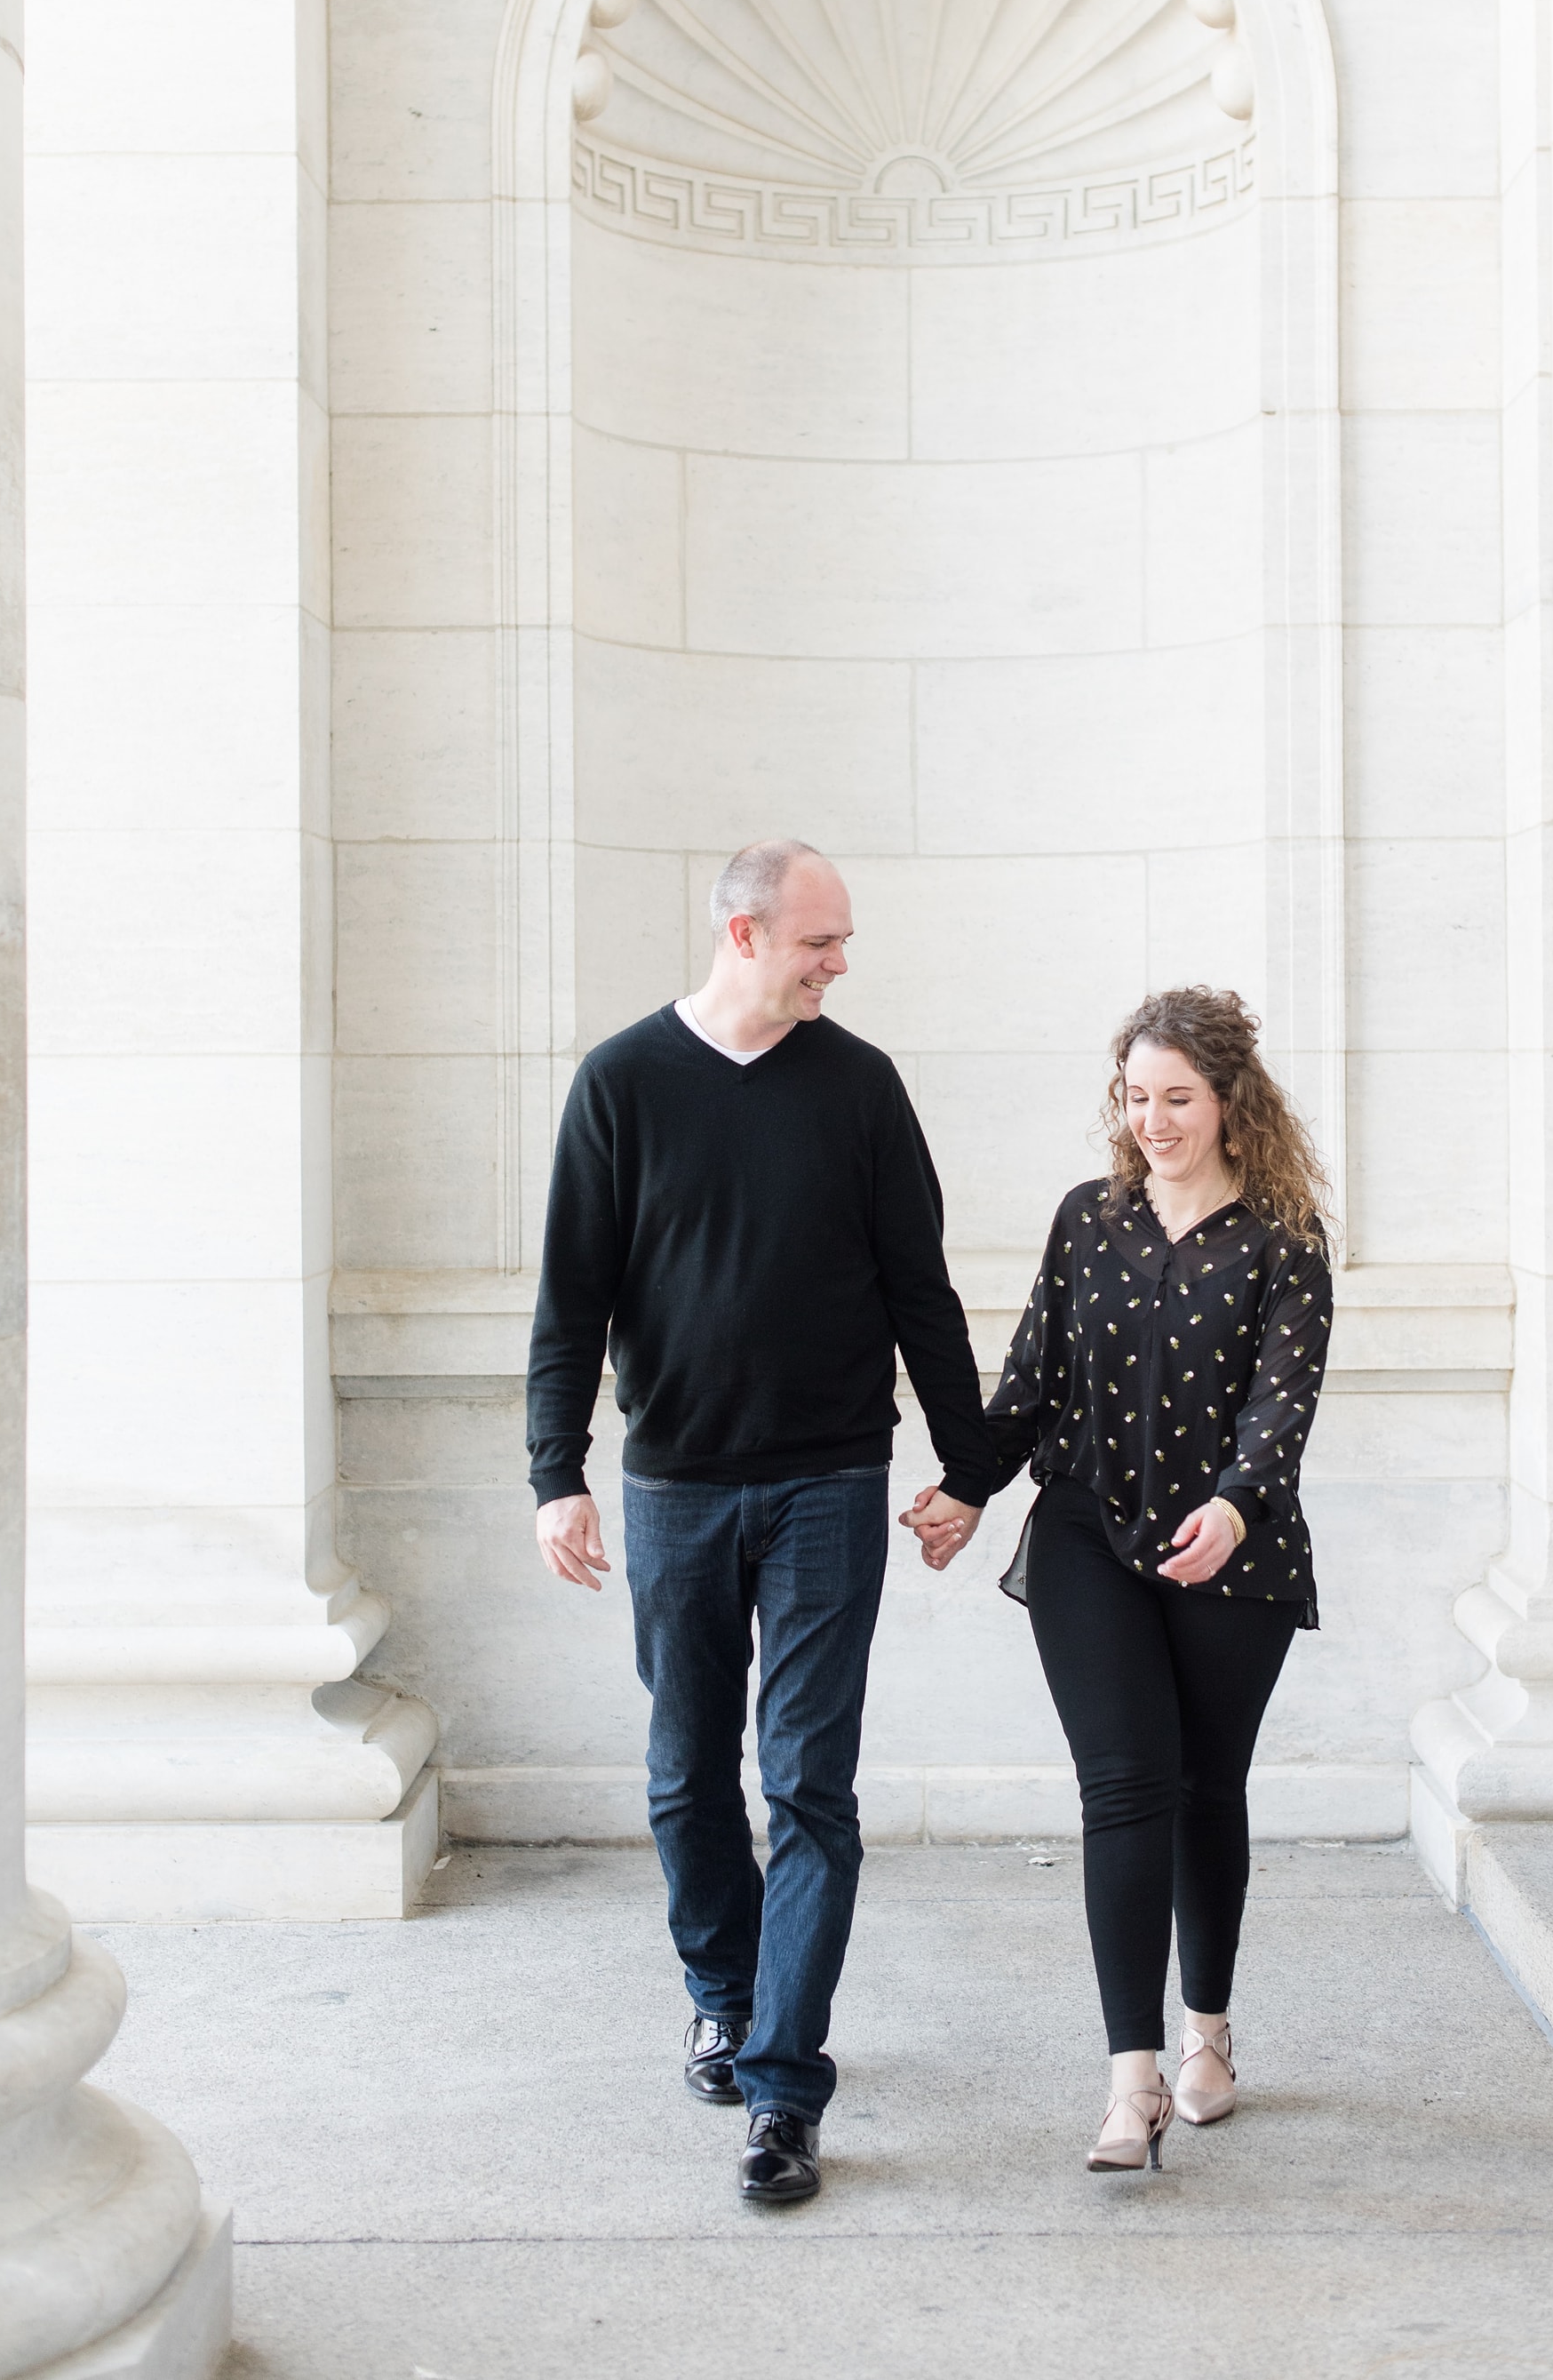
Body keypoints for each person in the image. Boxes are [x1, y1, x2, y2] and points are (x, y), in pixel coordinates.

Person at [527, 840, 995, 2206]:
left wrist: (969, 1467)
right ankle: (722, 1997)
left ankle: (785, 2087)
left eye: (840, 943)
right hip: (672, 1485)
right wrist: (557, 1468)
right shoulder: (620, 1083)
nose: (839, 964)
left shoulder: (860, 1086)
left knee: (806, 1785)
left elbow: (922, 1287)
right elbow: (571, 1297)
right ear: (744, 932)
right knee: (684, 1770)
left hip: (829, 1486)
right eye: (819, 942)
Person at [903, 986, 1331, 2173]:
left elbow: (1280, 1405)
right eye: (1137, 1097)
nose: (1154, 1119)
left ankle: (1209, 2036)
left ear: (1232, 1104)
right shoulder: (1089, 1220)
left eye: (1177, 1097)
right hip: (1090, 1531)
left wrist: (1237, 1506)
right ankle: (1130, 2080)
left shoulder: (1285, 1240)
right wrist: (966, 1485)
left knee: (1205, 1786)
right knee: (1125, 1783)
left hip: (1228, 1553)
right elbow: (1032, 1377)